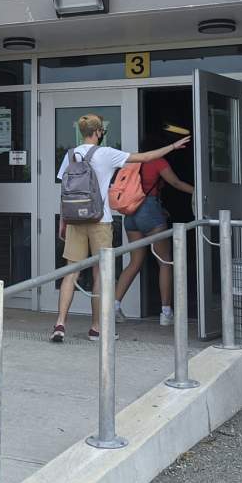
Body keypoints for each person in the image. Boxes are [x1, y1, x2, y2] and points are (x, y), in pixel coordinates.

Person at [51, 114, 189, 343]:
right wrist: (173, 145)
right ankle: (96, 328)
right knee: (100, 274)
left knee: (70, 272)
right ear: (98, 132)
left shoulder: (70, 155)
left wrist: (63, 221)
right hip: (100, 220)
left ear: (82, 132)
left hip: (75, 221)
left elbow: (64, 192)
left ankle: (59, 324)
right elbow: (144, 157)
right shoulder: (105, 154)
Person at [113, 133, 195, 326]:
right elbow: (175, 183)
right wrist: (198, 191)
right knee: (165, 261)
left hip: (130, 214)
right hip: (149, 211)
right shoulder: (158, 161)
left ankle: (114, 306)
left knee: (134, 262)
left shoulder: (131, 163)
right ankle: (166, 313)